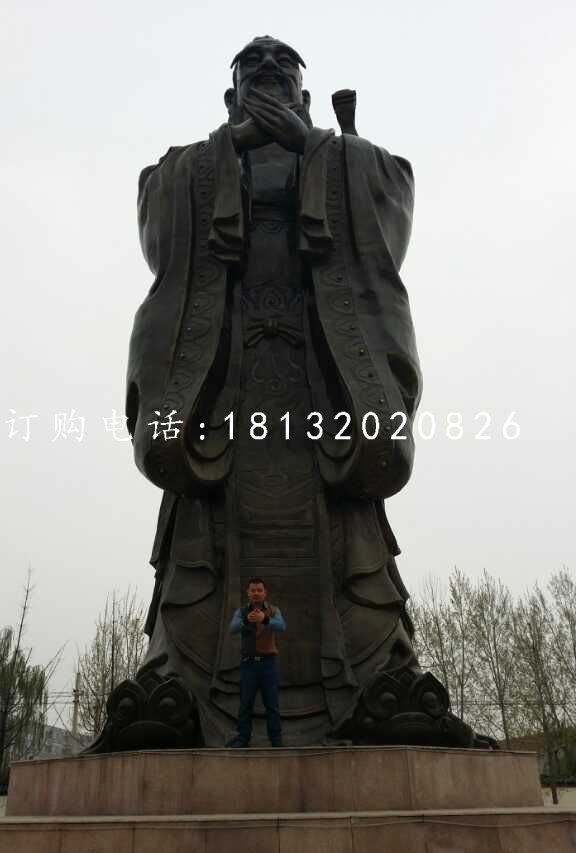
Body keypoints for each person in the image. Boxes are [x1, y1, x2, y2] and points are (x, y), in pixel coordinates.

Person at [127, 35, 422, 747]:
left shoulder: (344, 159)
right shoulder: (191, 169)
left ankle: (376, 681)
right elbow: (157, 210)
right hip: (224, 391)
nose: (267, 75)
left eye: (282, 71)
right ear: (231, 98)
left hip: (321, 386)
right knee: (201, 544)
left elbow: (392, 194)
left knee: (347, 533)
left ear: (305, 97)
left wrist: (320, 150)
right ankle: (181, 681)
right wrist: (226, 149)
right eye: (252, 72)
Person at [226, 578, 287, 748]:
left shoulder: (273, 610)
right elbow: (232, 628)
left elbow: (282, 626)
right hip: (249, 665)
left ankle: (276, 740)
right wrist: (247, 620)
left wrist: (264, 619)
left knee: (272, 704)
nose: (256, 593)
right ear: (248, 593)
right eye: (253, 590)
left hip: (269, 664)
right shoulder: (241, 611)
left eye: (259, 590)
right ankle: (243, 738)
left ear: (265, 593)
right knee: (245, 703)